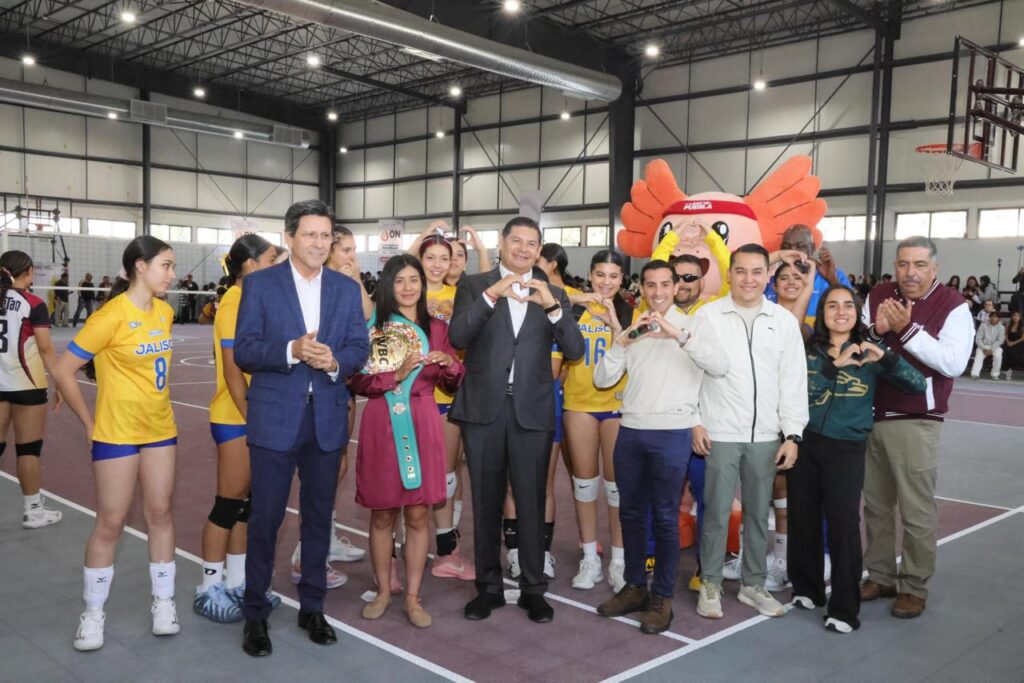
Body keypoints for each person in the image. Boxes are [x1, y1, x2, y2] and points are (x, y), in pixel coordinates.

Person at [233, 200, 369, 657]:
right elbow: (245, 350)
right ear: (289, 237)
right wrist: (291, 350)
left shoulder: (346, 289)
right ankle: (255, 613)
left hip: (326, 418)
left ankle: (313, 607)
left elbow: (358, 347)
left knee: (318, 519)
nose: (319, 243)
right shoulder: (260, 285)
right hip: (274, 419)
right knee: (265, 520)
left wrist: (335, 361)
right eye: (310, 234)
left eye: (325, 235)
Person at [448, 215, 585, 623]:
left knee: (531, 499)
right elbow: (458, 337)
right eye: (517, 241)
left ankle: (533, 588)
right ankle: (488, 587)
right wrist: (492, 295)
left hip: (532, 408)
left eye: (531, 244)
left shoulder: (554, 293)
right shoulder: (475, 285)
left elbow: (575, 350)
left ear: (538, 250)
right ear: (502, 243)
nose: (523, 249)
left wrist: (553, 308)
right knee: (486, 501)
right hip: (483, 409)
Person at [51, 236, 179, 651]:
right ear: (140, 266)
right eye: (165, 265)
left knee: (160, 512)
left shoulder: (165, 312)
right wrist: (90, 424)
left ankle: (164, 603)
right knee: (110, 522)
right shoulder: (110, 316)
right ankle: (93, 614)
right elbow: (63, 370)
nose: (172, 274)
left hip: (160, 430)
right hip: (117, 433)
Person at [593, 260, 727, 634]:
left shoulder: (694, 325)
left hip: (672, 433)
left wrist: (677, 334)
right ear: (642, 288)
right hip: (631, 432)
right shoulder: (634, 328)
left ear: (676, 287)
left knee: (666, 517)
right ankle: (635, 586)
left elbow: (719, 366)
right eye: (650, 284)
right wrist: (623, 341)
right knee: (631, 513)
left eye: (665, 284)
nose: (657, 292)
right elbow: (603, 378)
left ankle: (662, 598)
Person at [791, 285, 925, 633]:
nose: (840, 312)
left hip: (846, 449)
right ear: (822, 313)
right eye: (832, 306)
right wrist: (833, 367)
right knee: (803, 518)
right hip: (805, 444)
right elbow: (797, 396)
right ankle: (807, 588)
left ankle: (843, 609)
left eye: (848, 306)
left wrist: (887, 358)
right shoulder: (808, 351)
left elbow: (917, 385)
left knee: (843, 525)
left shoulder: (871, 352)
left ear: (857, 312)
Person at [693, 244, 808, 621]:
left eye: (757, 272)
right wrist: (695, 420)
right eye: (740, 271)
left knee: (759, 514)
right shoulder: (708, 315)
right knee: (716, 513)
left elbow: (793, 380)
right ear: (729, 275)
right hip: (720, 432)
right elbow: (690, 372)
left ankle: (753, 584)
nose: (748, 279)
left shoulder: (783, 321)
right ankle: (710, 583)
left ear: (767, 276)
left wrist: (792, 434)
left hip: (766, 436)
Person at [860, 235, 973, 619]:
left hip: (916, 420)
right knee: (875, 506)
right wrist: (877, 332)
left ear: (934, 268)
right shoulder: (878, 294)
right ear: (895, 265)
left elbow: (952, 363)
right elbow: (860, 343)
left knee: (916, 511)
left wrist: (907, 330)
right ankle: (880, 576)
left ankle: (913, 586)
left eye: (920, 265)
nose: (910, 272)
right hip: (871, 415)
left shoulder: (954, 306)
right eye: (904, 264)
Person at [351, 254, 465, 627]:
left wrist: (450, 365)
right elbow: (357, 380)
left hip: (423, 419)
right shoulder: (374, 328)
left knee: (418, 514)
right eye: (399, 280)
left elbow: (455, 381)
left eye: (414, 279)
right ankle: (384, 590)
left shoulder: (438, 328)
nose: (407, 287)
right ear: (388, 285)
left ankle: (413, 598)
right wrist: (394, 376)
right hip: (382, 420)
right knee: (383, 513)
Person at [194, 235, 277, 624]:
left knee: (248, 505)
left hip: (256, 416)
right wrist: (254, 420)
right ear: (250, 265)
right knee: (228, 504)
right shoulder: (233, 302)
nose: (277, 266)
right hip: (235, 417)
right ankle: (208, 587)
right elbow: (232, 372)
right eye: (271, 259)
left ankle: (238, 582)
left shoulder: (255, 299)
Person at [288, 225, 369, 593]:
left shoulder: (346, 288)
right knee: (318, 472)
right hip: (316, 389)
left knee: (338, 466)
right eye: (346, 250)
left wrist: (357, 279)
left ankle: (326, 537)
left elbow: (368, 316)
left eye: (353, 249)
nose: (352, 256)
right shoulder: (314, 290)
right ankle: (305, 553)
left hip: (342, 385)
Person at [561, 250, 632, 592]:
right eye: (600, 275)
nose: (606, 282)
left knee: (617, 488)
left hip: (617, 406)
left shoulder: (630, 311)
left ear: (622, 279)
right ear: (590, 275)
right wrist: (579, 299)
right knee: (584, 484)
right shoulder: (574, 307)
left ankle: (619, 560)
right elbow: (547, 292)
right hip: (579, 404)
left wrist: (614, 324)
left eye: (613, 276)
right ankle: (590, 558)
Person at [0, 251, 63, 528]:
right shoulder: (33, 303)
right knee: (28, 449)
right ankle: (34, 511)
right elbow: (46, 348)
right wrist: (60, 382)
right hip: (28, 385)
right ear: (27, 272)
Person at [766, 224, 849, 325]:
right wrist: (776, 257)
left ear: (812, 248)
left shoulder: (835, 276)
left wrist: (831, 279)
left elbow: (852, 309)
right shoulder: (772, 280)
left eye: (800, 246)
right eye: (786, 247)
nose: (793, 252)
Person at [971, 309, 1006, 380]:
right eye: (992, 316)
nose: (993, 318)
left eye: (996, 317)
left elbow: (1000, 340)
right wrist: (984, 348)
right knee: (979, 356)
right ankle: (975, 374)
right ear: (989, 317)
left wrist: (991, 349)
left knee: (998, 356)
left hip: (995, 346)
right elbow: (978, 339)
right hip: (983, 346)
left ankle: (995, 374)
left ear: (999, 318)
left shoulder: (1001, 327)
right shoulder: (983, 325)